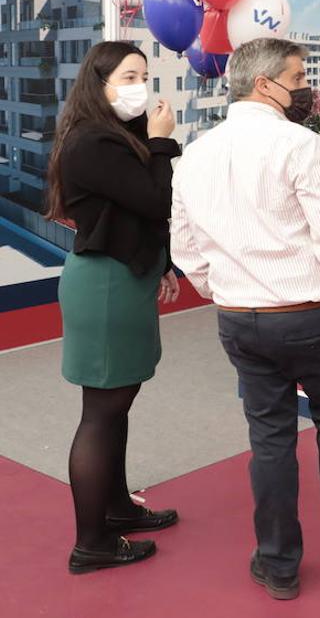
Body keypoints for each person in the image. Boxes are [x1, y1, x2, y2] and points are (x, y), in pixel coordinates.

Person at [170, 38, 320, 600]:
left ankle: (278, 564)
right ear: (265, 83)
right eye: (298, 78)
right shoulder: (301, 146)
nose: (305, 89)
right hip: (314, 315)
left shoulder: (194, 153)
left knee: (268, 439)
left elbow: (185, 245)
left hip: (240, 320)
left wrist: (222, 289)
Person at [46, 41, 181, 574]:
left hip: (122, 277)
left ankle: (119, 509)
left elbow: (133, 214)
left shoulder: (110, 137)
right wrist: (164, 143)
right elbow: (156, 199)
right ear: (98, 83)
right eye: (129, 75)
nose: (140, 85)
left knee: (116, 405)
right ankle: (92, 543)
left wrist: (161, 261)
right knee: (102, 413)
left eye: (144, 74)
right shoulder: (94, 142)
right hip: (105, 286)